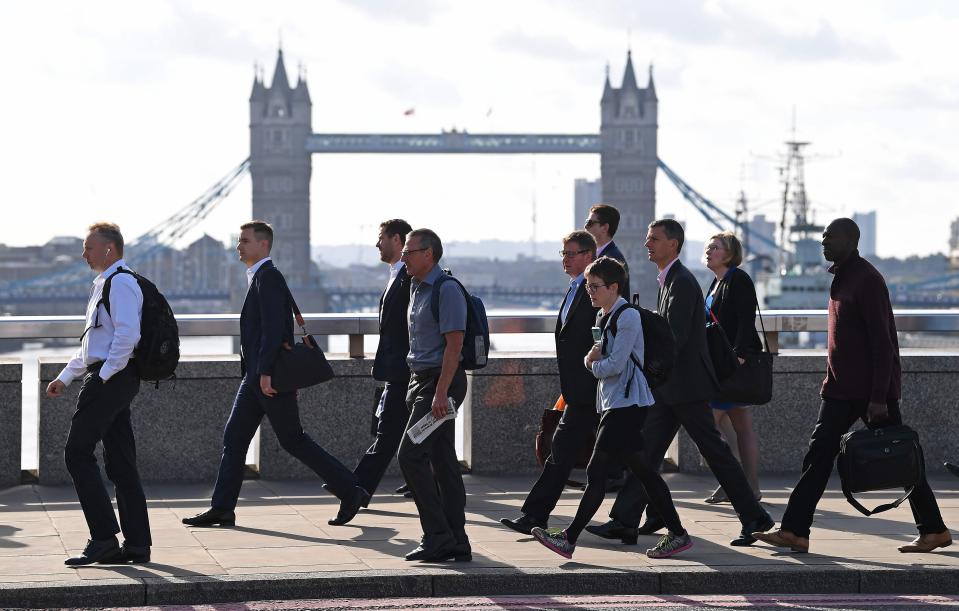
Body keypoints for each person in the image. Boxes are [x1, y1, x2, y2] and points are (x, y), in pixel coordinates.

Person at [754, 218, 952, 554]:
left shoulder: (867, 280)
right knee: (818, 456)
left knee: (901, 456)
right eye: (823, 235)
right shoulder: (842, 277)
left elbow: (883, 343)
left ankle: (933, 530)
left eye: (830, 235)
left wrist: (879, 398)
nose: (823, 240)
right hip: (841, 389)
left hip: (867, 392)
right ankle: (795, 531)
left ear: (851, 240)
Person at [587, 219, 774, 547]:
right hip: (672, 388)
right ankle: (625, 520)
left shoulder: (681, 282)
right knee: (646, 451)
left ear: (673, 244)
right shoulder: (670, 280)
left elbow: (673, 337)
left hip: (685, 387)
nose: (648, 244)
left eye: (654, 239)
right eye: (648, 238)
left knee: (715, 452)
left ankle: (754, 517)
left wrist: (636, 326)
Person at [183, 221, 368, 529]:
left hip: (265, 376)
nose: (239, 246)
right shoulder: (259, 277)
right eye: (239, 240)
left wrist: (266, 373)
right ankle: (222, 507)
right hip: (255, 376)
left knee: (293, 440)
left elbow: (273, 331)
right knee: (235, 437)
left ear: (263, 245)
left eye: (244, 241)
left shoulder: (268, 278)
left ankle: (350, 490)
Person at [531, 257, 692, 560]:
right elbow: (596, 357)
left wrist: (593, 364)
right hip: (615, 403)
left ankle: (569, 538)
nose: (590, 291)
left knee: (597, 471)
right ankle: (677, 533)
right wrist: (592, 361)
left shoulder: (627, 317)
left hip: (627, 404)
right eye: (589, 286)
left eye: (595, 287)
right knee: (644, 472)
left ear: (614, 287)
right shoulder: (604, 317)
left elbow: (615, 364)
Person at [46, 222, 152, 566]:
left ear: (109, 249)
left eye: (89, 247)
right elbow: (93, 344)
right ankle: (136, 545)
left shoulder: (120, 283)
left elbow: (126, 337)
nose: (83, 254)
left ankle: (104, 538)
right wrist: (65, 377)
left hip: (113, 377)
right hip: (111, 375)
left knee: (77, 453)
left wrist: (103, 377)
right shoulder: (105, 284)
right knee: (121, 462)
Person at [500, 231, 599, 535]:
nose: (565, 259)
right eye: (563, 254)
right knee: (562, 452)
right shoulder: (573, 289)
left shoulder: (595, 291)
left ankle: (639, 517)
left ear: (588, 256)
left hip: (593, 388)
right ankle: (535, 515)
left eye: (571, 254)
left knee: (630, 461)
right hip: (577, 390)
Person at [328, 219, 414, 525]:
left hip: (406, 372)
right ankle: (362, 487)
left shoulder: (410, 277)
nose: (377, 244)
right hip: (397, 371)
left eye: (381, 238)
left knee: (388, 433)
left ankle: (355, 488)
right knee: (401, 437)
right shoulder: (396, 275)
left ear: (397, 240)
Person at [396, 228, 472, 562]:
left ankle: (437, 535)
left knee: (409, 456)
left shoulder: (446, 289)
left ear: (429, 254)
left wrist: (441, 394)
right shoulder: (415, 286)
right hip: (422, 382)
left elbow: (454, 344)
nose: (404, 257)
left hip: (441, 384)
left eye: (409, 252)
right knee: (442, 461)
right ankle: (457, 540)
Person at [702, 231, 762, 504]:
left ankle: (736, 483)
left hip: (732, 366)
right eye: (708, 246)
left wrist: (738, 357)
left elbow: (745, 319)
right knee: (739, 426)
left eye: (715, 247)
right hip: (718, 367)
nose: (709, 250)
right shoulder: (715, 283)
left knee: (707, 426)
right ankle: (746, 486)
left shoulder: (738, 279)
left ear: (729, 254)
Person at [585, 204, 630, 298]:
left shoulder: (612, 259)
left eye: (590, 223)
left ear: (605, 228)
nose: (586, 227)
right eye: (586, 222)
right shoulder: (600, 255)